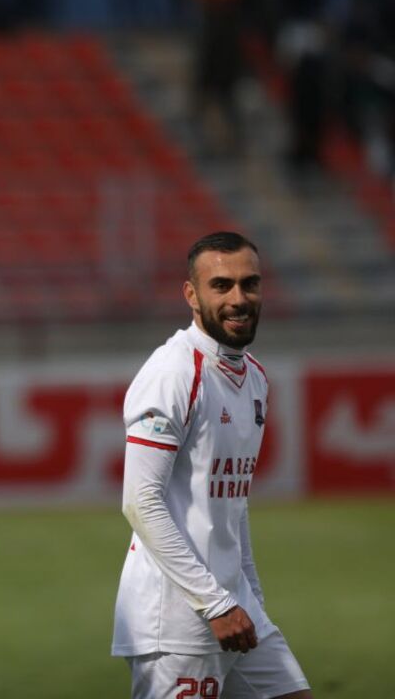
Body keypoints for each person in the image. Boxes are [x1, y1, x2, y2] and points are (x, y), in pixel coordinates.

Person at [112, 232, 312, 699]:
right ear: (191, 295)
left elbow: (232, 505)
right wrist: (216, 604)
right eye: (221, 285)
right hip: (180, 619)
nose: (238, 299)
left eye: (250, 284)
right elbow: (140, 501)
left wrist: (250, 599)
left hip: (234, 607)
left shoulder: (255, 378)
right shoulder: (173, 372)